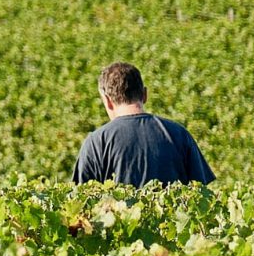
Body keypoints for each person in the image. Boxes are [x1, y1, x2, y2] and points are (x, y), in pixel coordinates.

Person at [73, 62, 215, 188]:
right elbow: (201, 195)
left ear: (108, 100)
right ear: (145, 94)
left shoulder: (96, 142)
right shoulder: (179, 134)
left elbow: (81, 204)